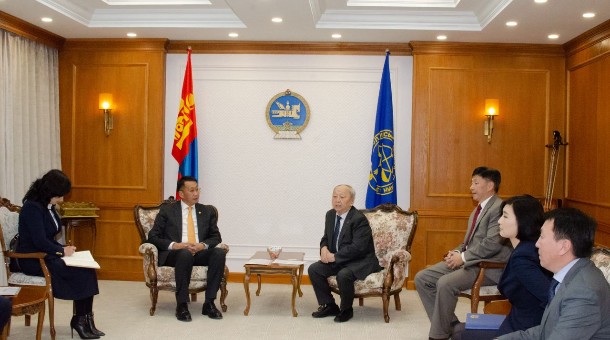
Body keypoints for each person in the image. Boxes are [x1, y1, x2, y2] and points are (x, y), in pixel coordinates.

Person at [415, 166, 512, 340]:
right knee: (422, 278)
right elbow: (468, 242)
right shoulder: (478, 210)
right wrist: (456, 252)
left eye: (476, 183)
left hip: (487, 267)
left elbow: (492, 244)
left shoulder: (499, 208)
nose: (471, 187)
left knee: (445, 283)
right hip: (470, 262)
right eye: (471, 182)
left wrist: (463, 257)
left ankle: (439, 335)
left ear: (490, 185)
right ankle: (452, 325)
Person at [498, 208, 610, 339]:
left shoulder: (583, 292)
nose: (537, 244)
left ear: (563, 246)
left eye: (542, 237)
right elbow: (545, 331)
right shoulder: (570, 275)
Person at [18, 169, 104, 339]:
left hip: (47, 253)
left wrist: (63, 248)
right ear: (50, 192)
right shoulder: (32, 208)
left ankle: (86, 319)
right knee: (80, 272)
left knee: (88, 269)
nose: (61, 199)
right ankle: (79, 321)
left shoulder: (47, 206)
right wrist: (61, 251)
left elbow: (49, 237)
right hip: (32, 259)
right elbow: (39, 241)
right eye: (59, 196)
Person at [453, 195, 551, 339]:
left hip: (526, 327)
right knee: (458, 329)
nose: (499, 221)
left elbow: (549, 296)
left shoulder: (523, 258)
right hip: (518, 317)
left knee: (460, 335)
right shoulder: (527, 248)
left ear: (523, 221)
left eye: (505, 216)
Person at [147, 176, 228, 322]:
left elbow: (216, 237)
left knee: (218, 253)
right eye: (192, 190)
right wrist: (175, 245)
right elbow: (152, 237)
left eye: (197, 189)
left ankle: (209, 303)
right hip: (176, 254)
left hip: (199, 251)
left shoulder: (206, 211)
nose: (196, 193)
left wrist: (202, 245)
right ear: (181, 194)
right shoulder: (168, 211)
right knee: (184, 254)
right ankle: (182, 305)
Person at [308, 184, 381, 323]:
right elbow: (326, 238)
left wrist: (334, 256)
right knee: (314, 269)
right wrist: (323, 248)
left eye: (342, 197)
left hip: (360, 260)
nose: (337, 200)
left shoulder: (358, 219)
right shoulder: (330, 215)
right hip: (339, 259)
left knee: (344, 275)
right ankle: (330, 305)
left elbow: (358, 247)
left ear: (351, 201)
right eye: (335, 196)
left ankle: (346, 310)